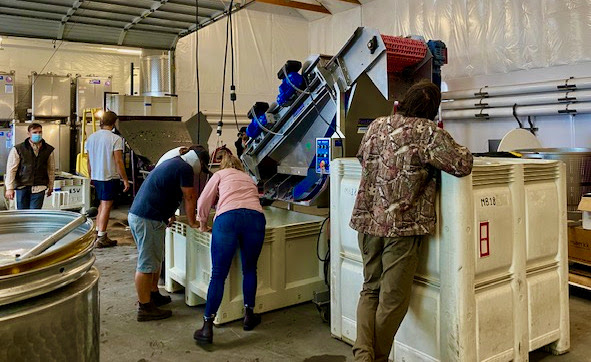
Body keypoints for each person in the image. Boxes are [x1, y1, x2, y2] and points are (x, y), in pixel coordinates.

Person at [349, 80, 473, 362]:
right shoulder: (427, 131)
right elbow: (462, 163)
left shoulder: (377, 125)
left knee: (370, 289)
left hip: (367, 221)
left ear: (403, 102)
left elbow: (361, 157)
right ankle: (376, 358)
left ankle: (361, 355)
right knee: (392, 300)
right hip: (402, 227)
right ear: (431, 110)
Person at [193, 151, 266, 344]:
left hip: (227, 219)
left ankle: (207, 327)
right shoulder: (248, 178)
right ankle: (249, 315)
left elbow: (203, 202)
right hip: (255, 219)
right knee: (250, 269)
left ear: (223, 165)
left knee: (218, 274)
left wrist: (202, 224)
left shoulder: (219, 174)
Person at [128, 148, 203, 321]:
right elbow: (190, 196)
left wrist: (169, 213)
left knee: (154, 258)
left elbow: (165, 190)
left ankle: (153, 294)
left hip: (144, 215)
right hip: (147, 218)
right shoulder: (184, 168)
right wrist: (192, 222)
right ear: (198, 162)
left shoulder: (174, 163)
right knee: (146, 264)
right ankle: (144, 307)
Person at [85, 110, 129, 248]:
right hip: (109, 176)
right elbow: (118, 161)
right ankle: (102, 237)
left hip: (97, 176)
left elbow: (88, 160)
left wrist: (91, 175)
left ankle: (98, 232)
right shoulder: (115, 139)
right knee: (106, 205)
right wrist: (125, 179)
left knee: (101, 205)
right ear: (114, 122)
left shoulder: (91, 138)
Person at [4, 123, 55, 209]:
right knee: (22, 214)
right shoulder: (18, 149)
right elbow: (11, 169)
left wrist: (51, 185)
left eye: (40, 132)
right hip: (22, 185)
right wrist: (9, 188)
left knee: (34, 214)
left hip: (39, 186)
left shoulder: (49, 150)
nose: (38, 134)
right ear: (29, 134)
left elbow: (51, 169)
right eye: (35, 132)